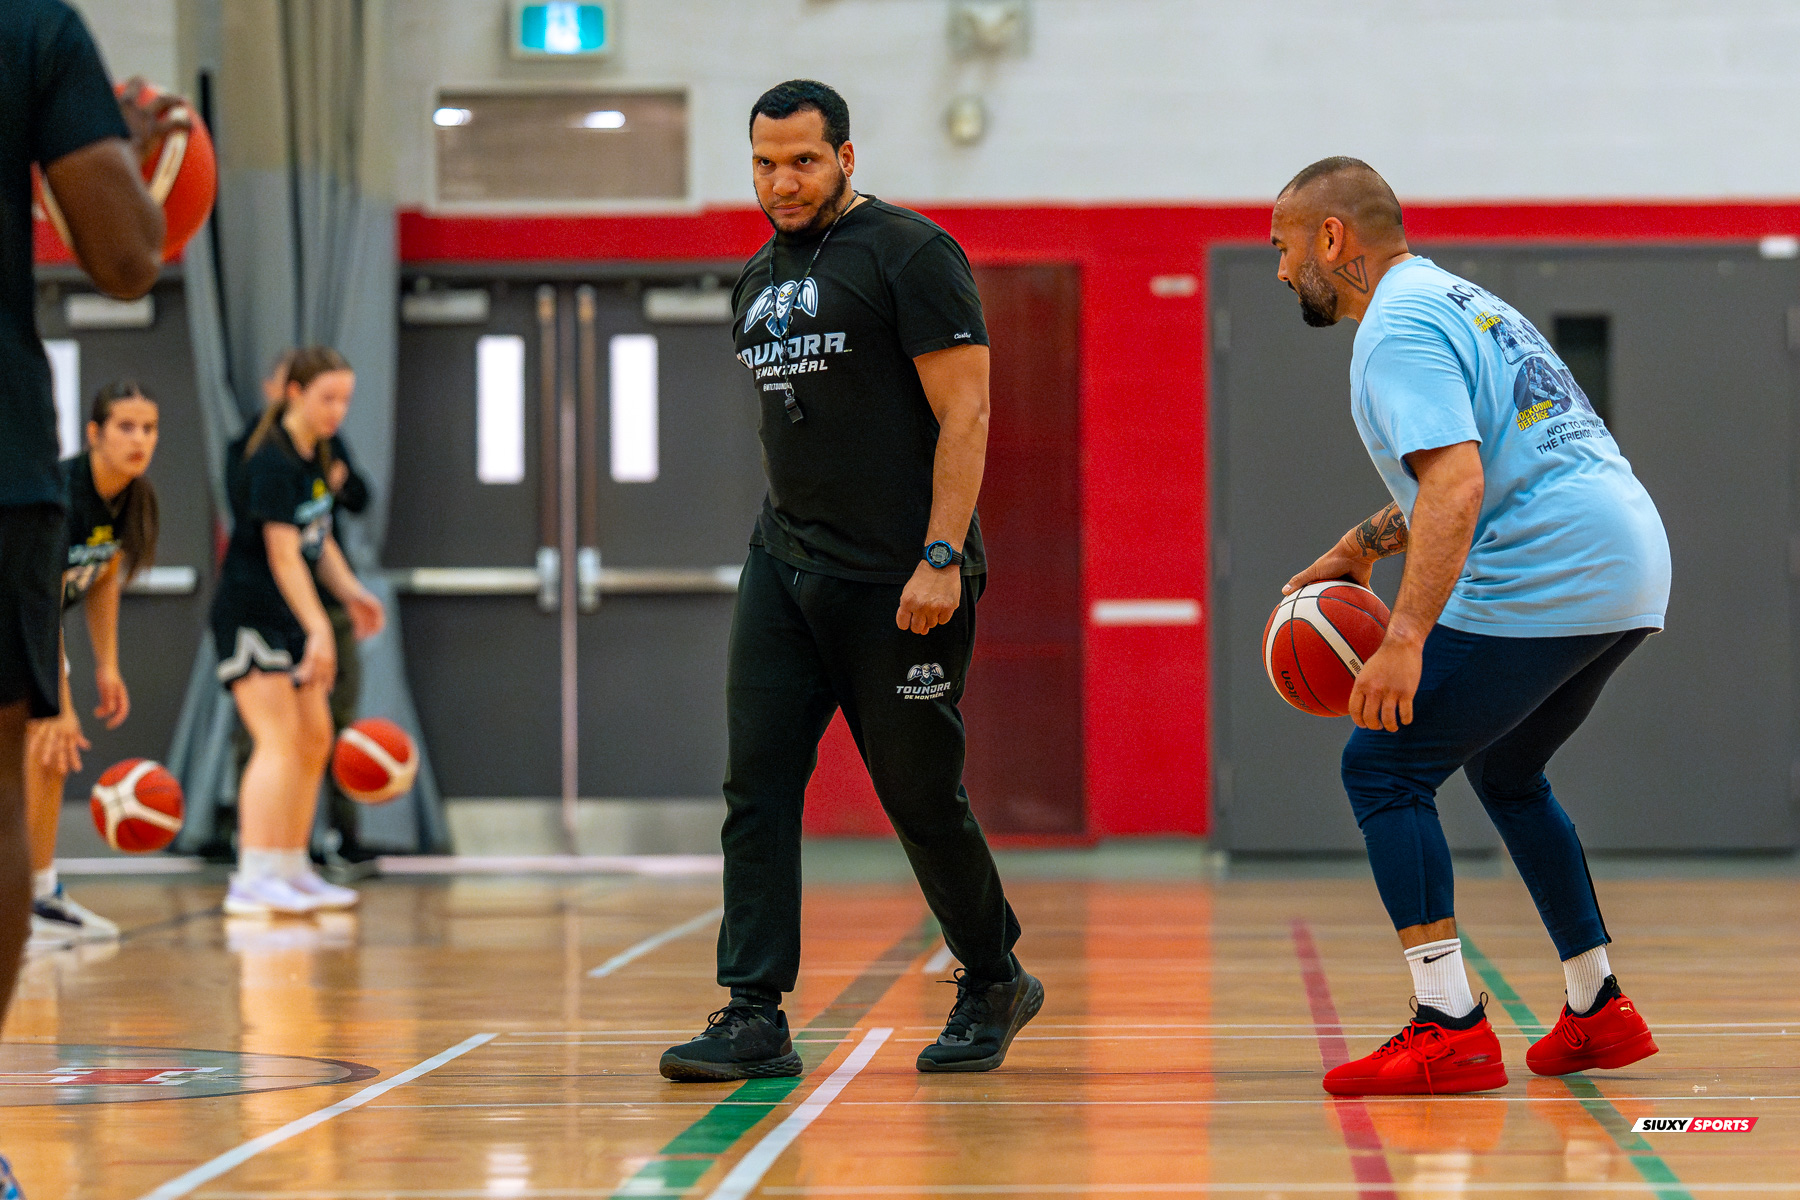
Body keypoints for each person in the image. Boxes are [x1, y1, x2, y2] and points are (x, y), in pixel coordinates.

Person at [660, 80, 1040, 1083]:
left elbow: (968, 415)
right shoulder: (756, 275)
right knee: (757, 787)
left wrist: (942, 555)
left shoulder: (912, 255)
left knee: (919, 794)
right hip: (786, 567)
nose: (782, 182)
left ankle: (994, 976)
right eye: (764, 163)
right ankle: (752, 1010)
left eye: (803, 161)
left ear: (847, 158)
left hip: (902, 579)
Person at [1270, 157, 1670, 1095]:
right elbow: (1487, 461)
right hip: (1629, 557)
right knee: (1506, 768)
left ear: (1333, 239)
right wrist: (1360, 543)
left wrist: (1403, 638)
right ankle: (1598, 1006)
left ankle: (1447, 1022)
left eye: (1284, 247)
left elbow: (1457, 483)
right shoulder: (1460, 300)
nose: (1283, 271)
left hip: (1553, 567)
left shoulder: (1396, 330)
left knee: (1382, 767)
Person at [211, 346, 384, 916]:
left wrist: (352, 592)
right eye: (326, 397)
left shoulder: (317, 454)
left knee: (314, 739)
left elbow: (319, 539)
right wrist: (321, 628)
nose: (337, 410)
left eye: (345, 399)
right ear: (294, 393)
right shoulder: (270, 460)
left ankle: (291, 865)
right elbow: (283, 556)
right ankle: (253, 873)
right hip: (252, 613)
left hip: (289, 611)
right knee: (277, 740)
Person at [26, 382, 162, 949]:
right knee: (48, 744)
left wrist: (107, 664)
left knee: (47, 759)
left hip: (28, 627)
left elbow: (103, 575)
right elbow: (37, 603)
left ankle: (38, 893)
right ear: (93, 434)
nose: (139, 440)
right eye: (125, 427)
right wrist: (57, 702)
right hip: (19, 621)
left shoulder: (131, 497)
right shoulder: (60, 493)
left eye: (149, 428)